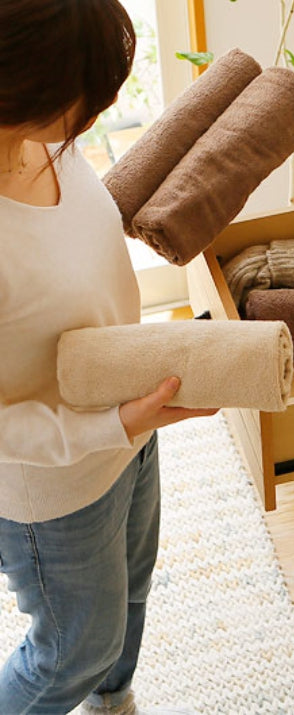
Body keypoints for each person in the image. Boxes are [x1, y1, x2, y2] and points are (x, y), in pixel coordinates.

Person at [0, 1, 217, 712]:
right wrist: (111, 424)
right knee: (73, 649)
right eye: (83, 97)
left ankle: (113, 700)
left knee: (130, 593)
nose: (100, 111)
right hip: (53, 484)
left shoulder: (40, 139)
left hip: (129, 427)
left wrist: (130, 420)